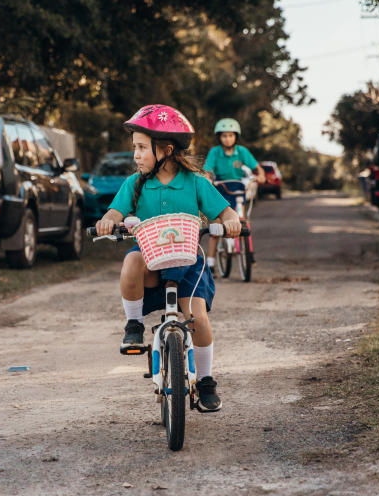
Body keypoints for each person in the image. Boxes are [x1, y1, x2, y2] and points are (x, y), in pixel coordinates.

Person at [94, 104, 241, 411]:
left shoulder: (196, 182)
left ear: (166, 149)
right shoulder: (135, 183)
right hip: (151, 258)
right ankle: (133, 325)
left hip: (188, 259)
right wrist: (108, 220)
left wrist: (231, 220)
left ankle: (205, 381)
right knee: (131, 261)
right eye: (135, 147)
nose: (136, 154)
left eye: (141, 148)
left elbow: (224, 210)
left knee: (197, 317)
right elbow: (115, 211)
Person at [203, 118, 265, 270]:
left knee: (242, 220)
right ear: (219, 137)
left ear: (236, 136)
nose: (228, 139)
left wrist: (261, 175)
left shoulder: (242, 151)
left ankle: (249, 252)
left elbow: (257, 167)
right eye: (224, 136)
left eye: (231, 135)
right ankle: (210, 262)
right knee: (217, 225)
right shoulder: (215, 152)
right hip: (220, 188)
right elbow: (208, 170)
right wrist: (207, 177)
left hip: (238, 188)